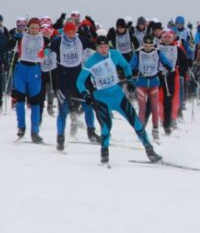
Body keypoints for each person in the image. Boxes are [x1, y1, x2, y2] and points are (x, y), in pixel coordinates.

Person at [76, 35, 161, 164]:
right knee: (106, 127)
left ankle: (150, 150)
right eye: (100, 47)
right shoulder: (91, 61)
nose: (103, 50)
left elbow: (126, 66)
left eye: (105, 47)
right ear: (96, 48)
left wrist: (130, 79)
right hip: (101, 98)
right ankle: (104, 153)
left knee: (136, 123)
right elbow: (80, 81)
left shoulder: (114, 54)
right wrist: (86, 95)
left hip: (117, 96)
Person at [49, 20, 98, 150]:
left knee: (88, 105)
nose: (72, 34)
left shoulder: (81, 40)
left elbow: (95, 45)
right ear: (65, 32)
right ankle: (60, 137)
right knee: (63, 110)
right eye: (69, 32)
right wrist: (46, 53)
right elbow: (48, 47)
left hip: (78, 79)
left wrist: (106, 48)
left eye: (73, 32)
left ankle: (91, 132)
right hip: (63, 80)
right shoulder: (58, 42)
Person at [130, 34, 175, 142]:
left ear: (152, 45)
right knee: (142, 108)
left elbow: (169, 63)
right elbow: (130, 65)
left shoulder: (157, 52)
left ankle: (155, 131)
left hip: (154, 83)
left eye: (150, 45)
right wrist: (132, 71)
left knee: (155, 108)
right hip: (141, 83)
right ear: (143, 44)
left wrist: (168, 68)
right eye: (146, 45)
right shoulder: (138, 53)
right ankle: (140, 132)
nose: (148, 48)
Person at [11, 17, 49, 142]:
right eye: (32, 28)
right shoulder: (22, 37)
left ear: (39, 29)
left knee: (35, 101)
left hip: (35, 70)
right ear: (28, 28)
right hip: (21, 68)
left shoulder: (44, 39)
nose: (34, 30)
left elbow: (50, 49)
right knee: (20, 99)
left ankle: (35, 131)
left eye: (37, 28)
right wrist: (13, 39)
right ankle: (21, 127)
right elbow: (8, 46)